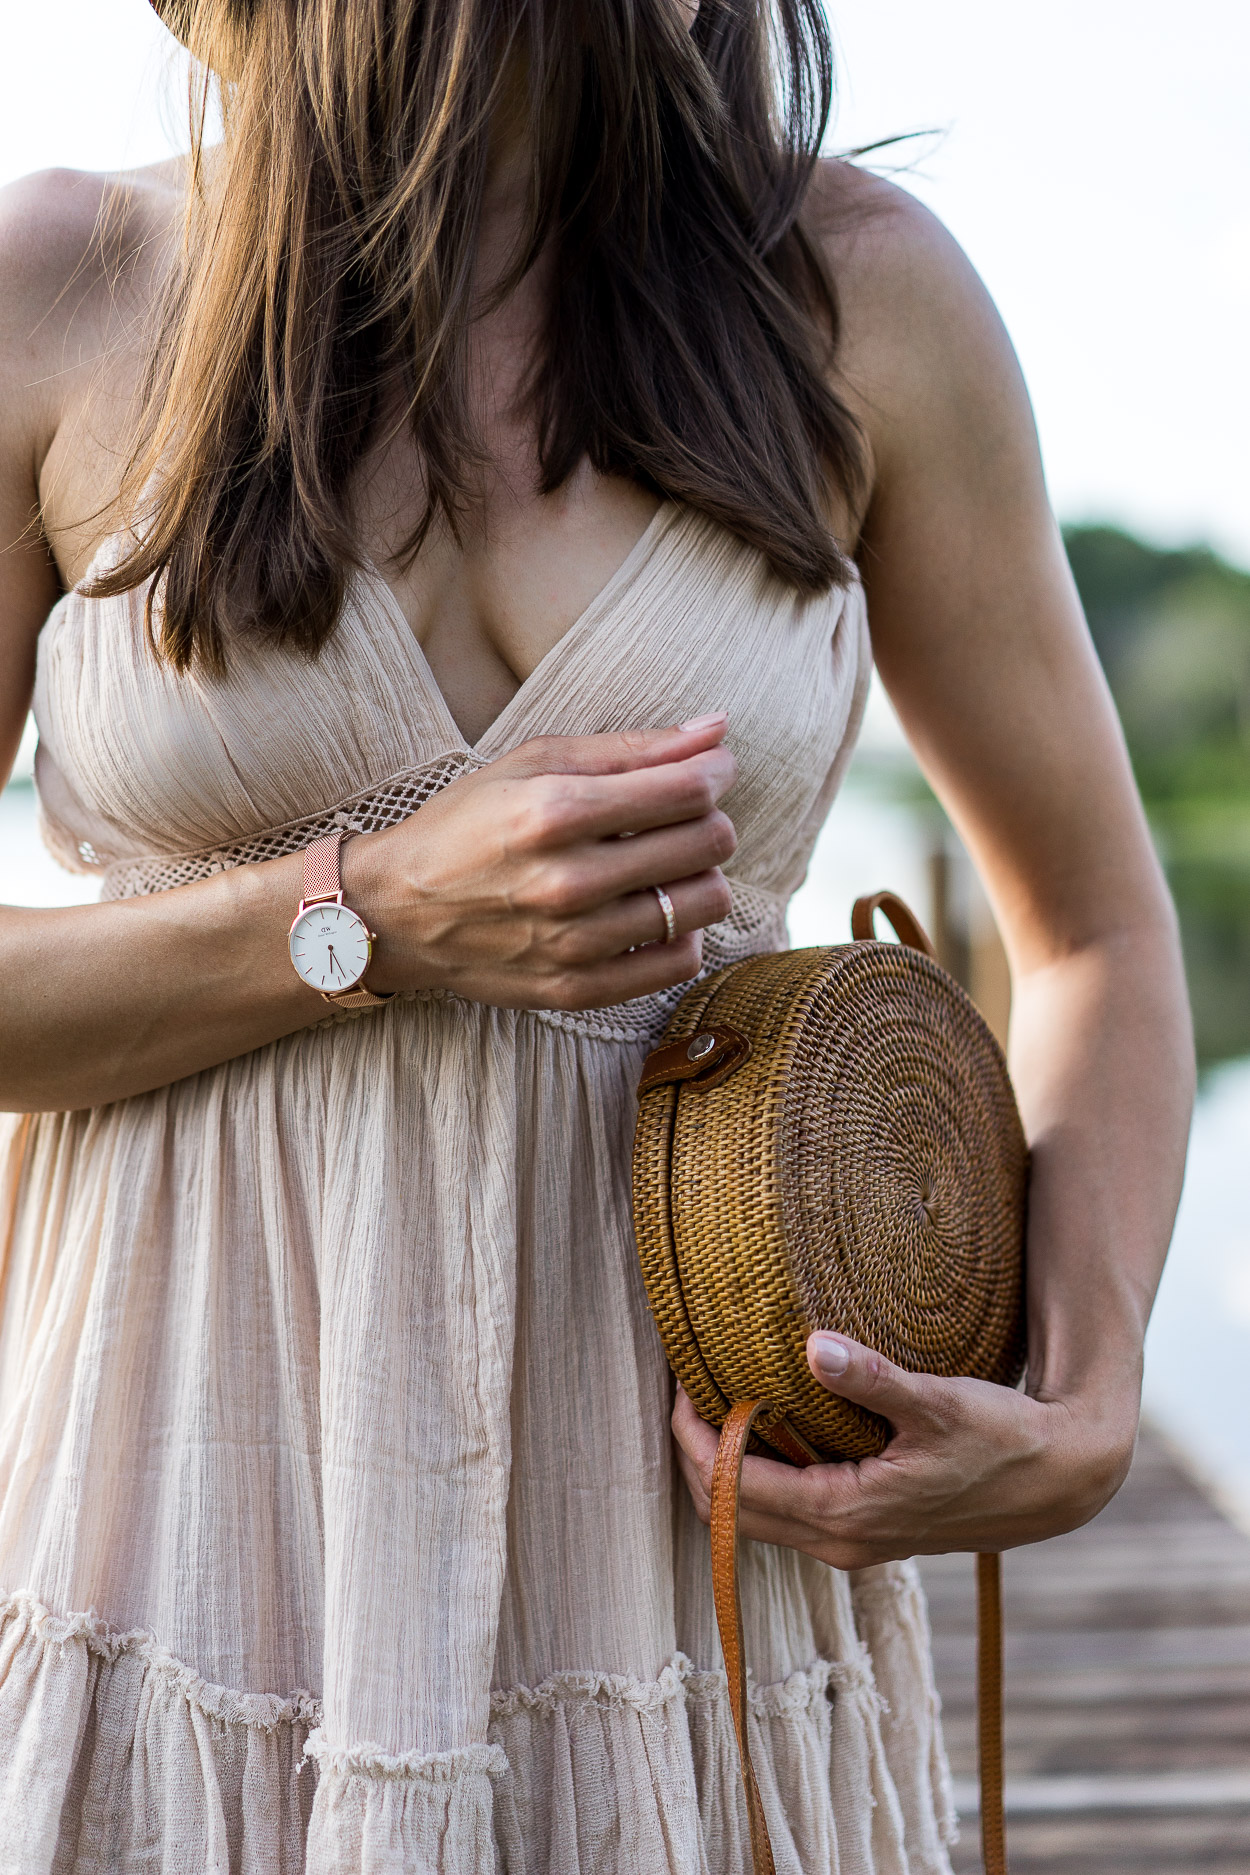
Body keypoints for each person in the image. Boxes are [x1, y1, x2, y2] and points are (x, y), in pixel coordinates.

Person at [0, 2, 1192, 1870]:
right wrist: (366, 918)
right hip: (180, 1533)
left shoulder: (855, 299)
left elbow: (1096, 923)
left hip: (686, 1566)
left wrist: (1093, 1381)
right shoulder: (60, 286)